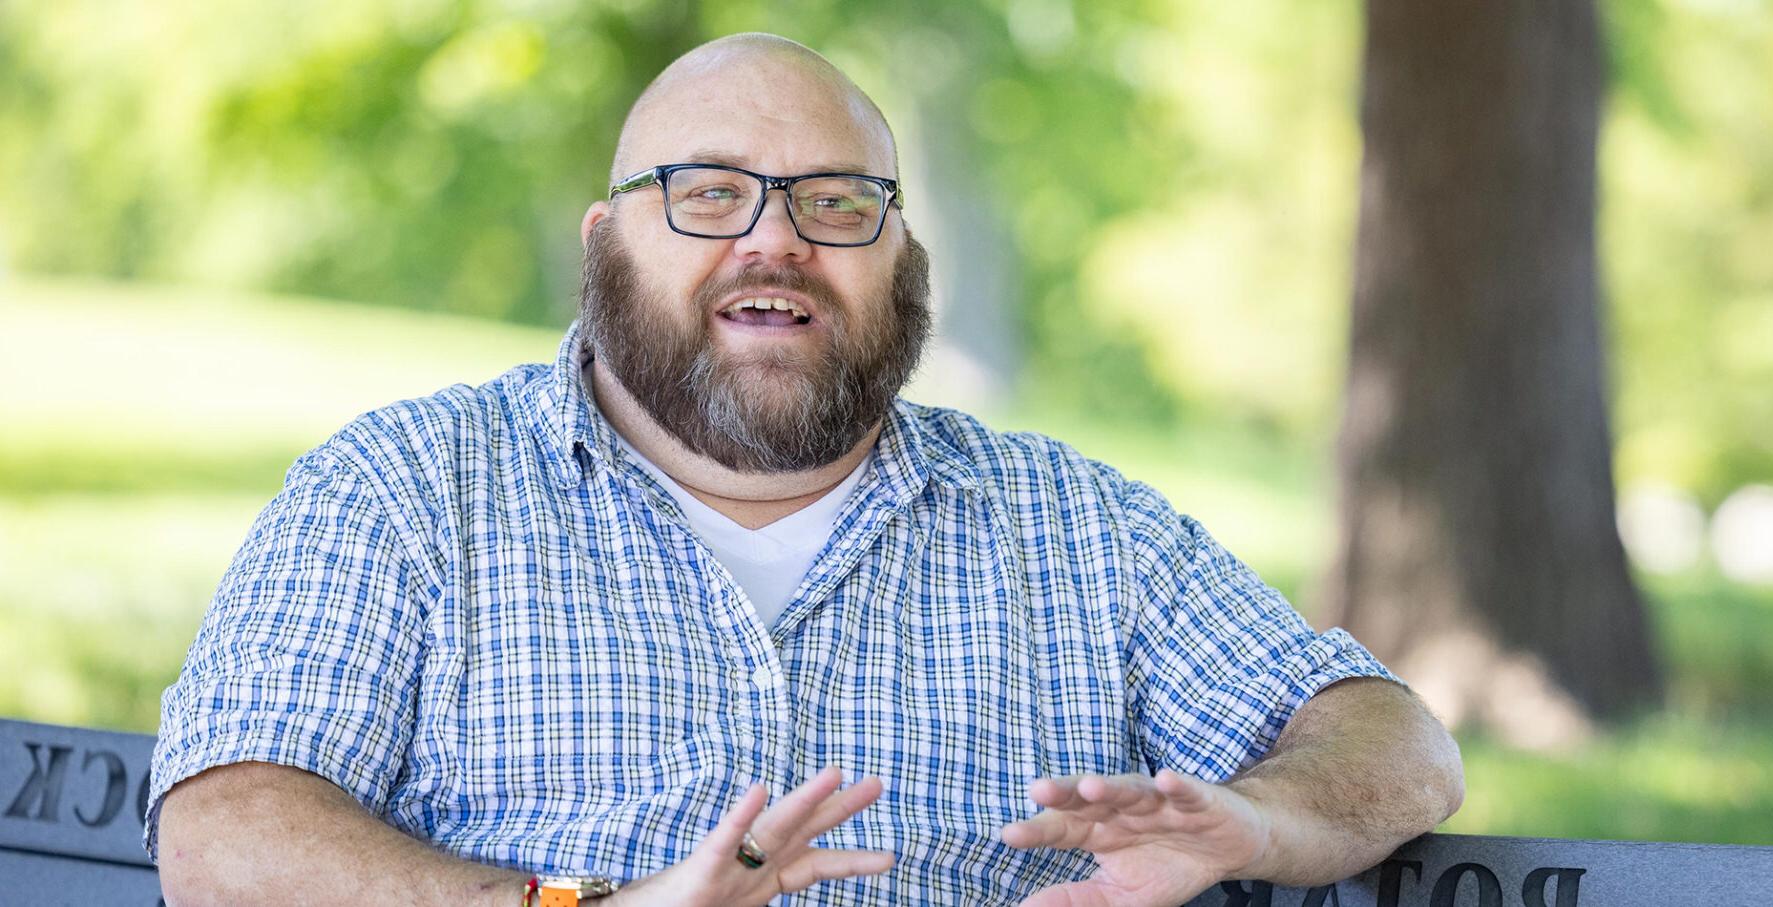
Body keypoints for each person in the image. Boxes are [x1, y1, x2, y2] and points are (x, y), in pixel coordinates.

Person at [147, 32, 1464, 907]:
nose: (774, 241)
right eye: (709, 195)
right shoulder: (404, 491)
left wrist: (1257, 824)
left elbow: (1392, 742)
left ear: (903, 259)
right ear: (608, 241)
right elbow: (225, 831)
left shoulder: (1084, 532)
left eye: (838, 202)